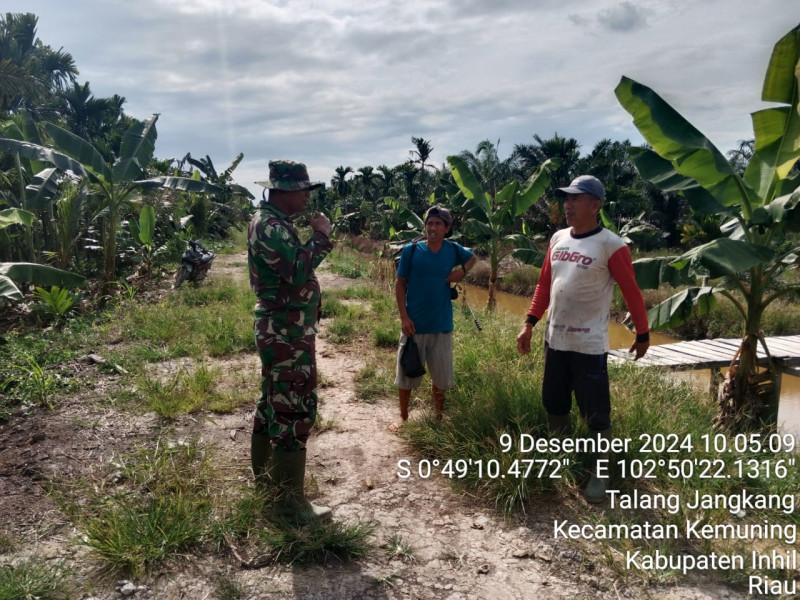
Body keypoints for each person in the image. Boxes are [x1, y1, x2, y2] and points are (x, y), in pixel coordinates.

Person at [515, 175, 650, 503]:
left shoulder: (611, 245)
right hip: (555, 340)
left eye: (576, 199)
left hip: (589, 346)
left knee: (596, 413)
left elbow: (631, 291)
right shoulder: (558, 238)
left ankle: (600, 472)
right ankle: (563, 460)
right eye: (567, 199)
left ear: (595, 205)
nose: (568, 205)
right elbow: (544, 285)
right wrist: (530, 323)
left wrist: (643, 333)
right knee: (554, 403)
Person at [248, 159, 334, 523]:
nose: (305, 198)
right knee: (293, 407)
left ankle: (268, 487)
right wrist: (322, 236)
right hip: (287, 333)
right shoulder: (272, 227)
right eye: (302, 191)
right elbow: (299, 270)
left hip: (283, 329)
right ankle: (289, 504)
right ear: (284, 191)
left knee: (273, 403)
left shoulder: (271, 223)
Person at [394, 205, 477, 424]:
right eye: (429, 223)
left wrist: (461, 272)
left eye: (438, 224)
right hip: (414, 325)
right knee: (405, 376)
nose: (432, 227)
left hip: (441, 326)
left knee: (441, 378)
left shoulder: (453, 249)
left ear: (447, 228)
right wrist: (404, 317)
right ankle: (403, 418)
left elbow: (473, 258)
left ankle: (438, 419)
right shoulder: (411, 251)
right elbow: (400, 284)